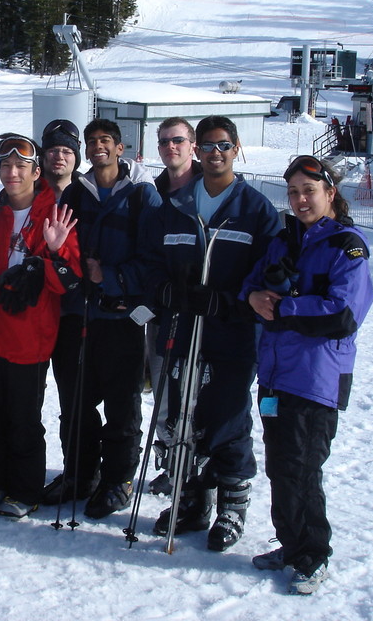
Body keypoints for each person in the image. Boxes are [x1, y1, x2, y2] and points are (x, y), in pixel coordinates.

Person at [144, 115, 280, 552]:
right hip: (182, 329)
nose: (214, 153)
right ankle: (191, 497)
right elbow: (152, 261)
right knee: (183, 415)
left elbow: (272, 278)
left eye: (223, 145)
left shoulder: (256, 210)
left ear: (236, 149)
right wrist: (164, 290)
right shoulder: (177, 205)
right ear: (197, 151)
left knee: (226, 417)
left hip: (232, 336)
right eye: (207, 146)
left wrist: (231, 302)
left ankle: (232, 504)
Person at [241, 156, 373, 595]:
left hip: (316, 376)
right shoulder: (283, 241)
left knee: (304, 468)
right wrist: (255, 297)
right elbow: (252, 283)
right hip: (277, 373)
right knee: (280, 465)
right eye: (294, 191)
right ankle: (292, 542)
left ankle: (313, 553)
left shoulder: (346, 246)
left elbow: (345, 312)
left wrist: (285, 307)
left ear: (329, 192)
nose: (300, 199)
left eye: (309, 190)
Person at [43, 118, 161, 520]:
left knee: (121, 404)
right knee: (75, 401)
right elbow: (63, 247)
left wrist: (109, 277)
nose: (98, 147)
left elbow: (154, 259)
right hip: (78, 314)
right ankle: (80, 472)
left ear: (120, 148)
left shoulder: (142, 196)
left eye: (105, 141)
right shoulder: (75, 192)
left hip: (121, 317)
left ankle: (117, 479)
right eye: (91, 141)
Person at [0, 134, 80, 518]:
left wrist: (51, 252)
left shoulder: (56, 213)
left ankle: (24, 488)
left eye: (20, 166)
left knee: (23, 419)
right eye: (5, 165)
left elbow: (70, 279)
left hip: (29, 337)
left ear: (37, 171)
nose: (12, 172)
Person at [146, 117, 202, 497]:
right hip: (164, 311)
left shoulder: (209, 188)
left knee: (195, 396)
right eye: (164, 141)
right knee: (165, 391)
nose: (171, 147)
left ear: (192, 144)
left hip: (201, 311)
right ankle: (169, 463)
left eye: (177, 140)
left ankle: (197, 473)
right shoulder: (154, 194)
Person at [40, 118, 82, 199]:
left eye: (66, 152)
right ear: (43, 155)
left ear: (76, 158)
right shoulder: (24, 193)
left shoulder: (88, 195)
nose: (59, 157)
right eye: (53, 151)